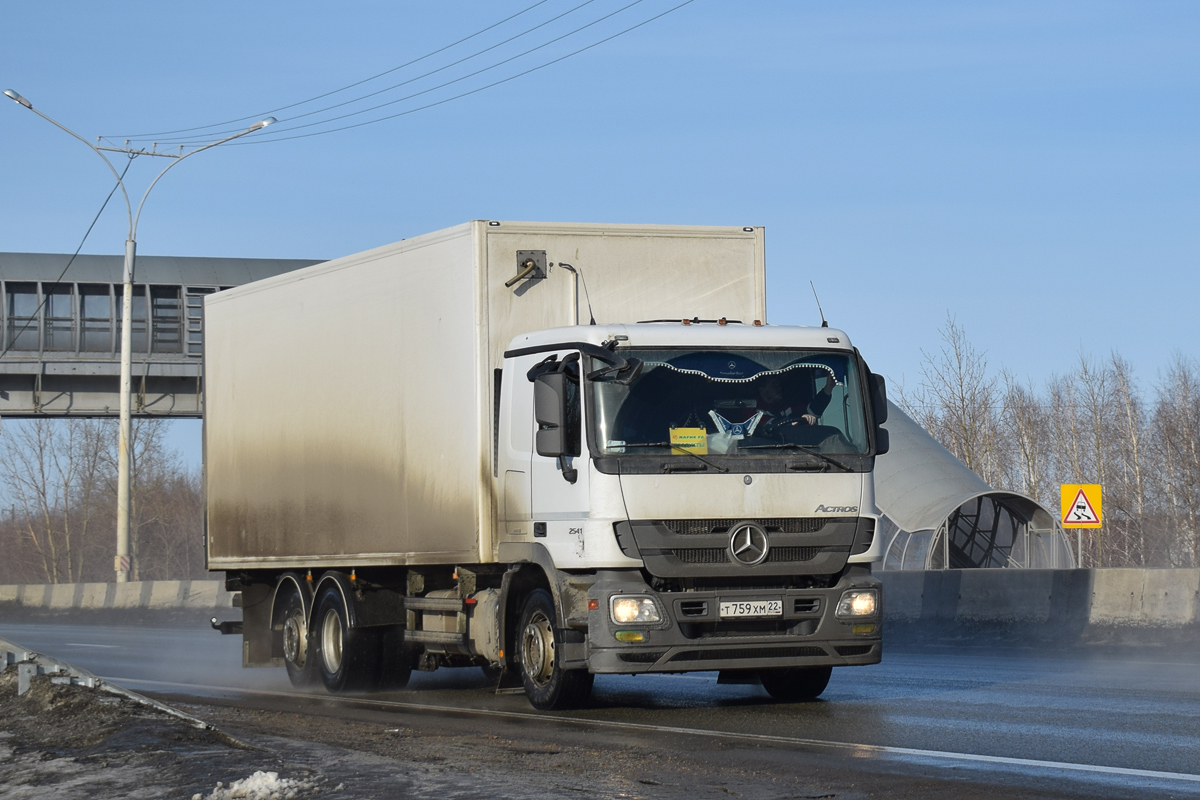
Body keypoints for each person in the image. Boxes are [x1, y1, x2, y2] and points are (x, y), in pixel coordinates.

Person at [756, 373, 833, 427]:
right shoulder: (752, 411)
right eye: (774, 384)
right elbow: (769, 424)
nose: (779, 388)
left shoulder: (784, 408)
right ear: (761, 390)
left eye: (779, 385)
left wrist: (829, 387)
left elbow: (811, 410)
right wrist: (793, 421)